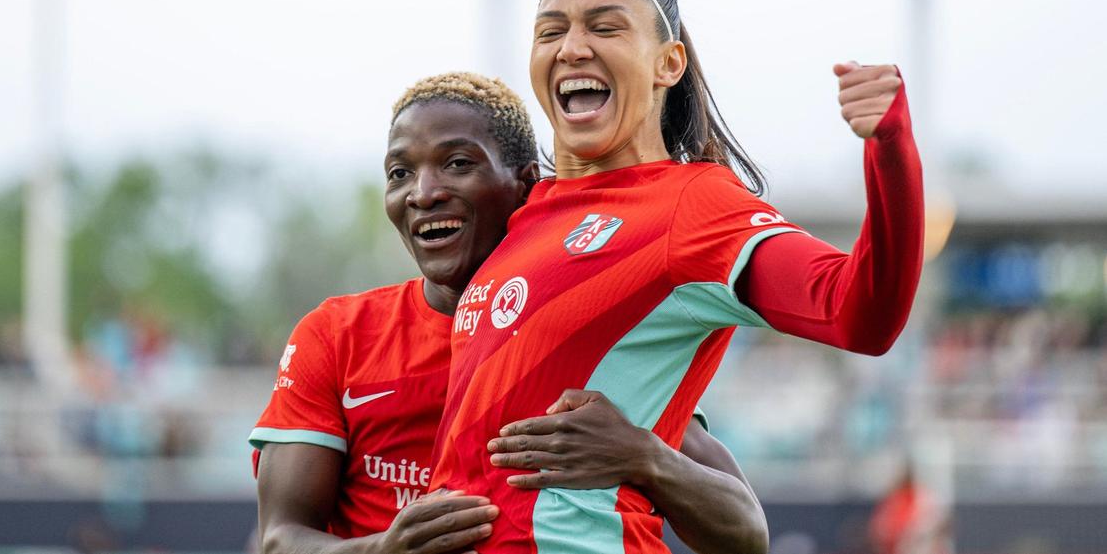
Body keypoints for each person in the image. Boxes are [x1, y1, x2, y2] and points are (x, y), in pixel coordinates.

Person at [429, 0, 925, 554]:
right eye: (551, 31)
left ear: (669, 64)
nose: (572, 48)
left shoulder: (695, 205)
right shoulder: (525, 216)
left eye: (605, 27)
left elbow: (860, 315)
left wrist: (891, 147)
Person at [251, 73, 768, 554]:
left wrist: (646, 459)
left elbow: (748, 534)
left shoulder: (587, 334)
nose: (424, 193)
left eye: (457, 163)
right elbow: (279, 539)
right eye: (400, 172)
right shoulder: (338, 335)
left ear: (524, 185)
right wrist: (382, 549)